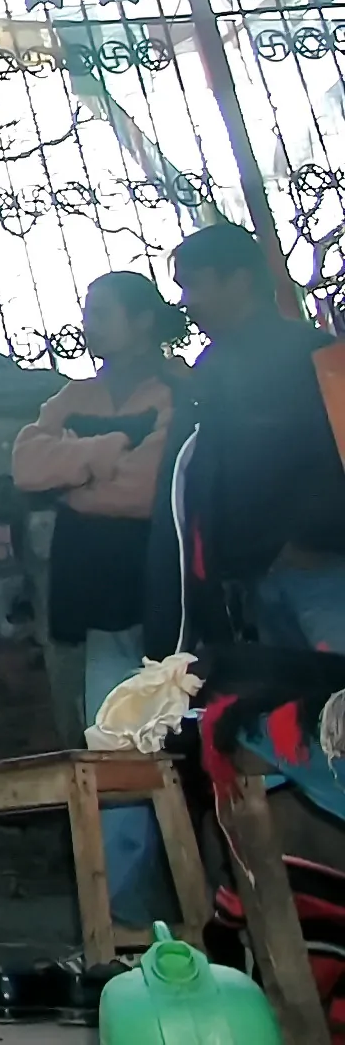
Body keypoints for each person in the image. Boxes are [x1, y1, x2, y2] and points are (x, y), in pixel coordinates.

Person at [11, 271, 187, 931]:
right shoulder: (73, 394)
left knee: (160, 742)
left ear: (143, 320)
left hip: (158, 581)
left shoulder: (175, 392)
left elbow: (145, 489)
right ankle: (125, 915)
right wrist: (112, 444)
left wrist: (76, 468)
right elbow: (28, 466)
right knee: (112, 745)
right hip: (90, 589)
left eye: (103, 311)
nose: (91, 322)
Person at [152, 223, 345, 812]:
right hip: (257, 585)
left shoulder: (310, 353)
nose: (187, 302)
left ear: (239, 278)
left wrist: (308, 541)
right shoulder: (211, 367)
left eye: (195, 285)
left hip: (322, 570)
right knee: (295, 728)